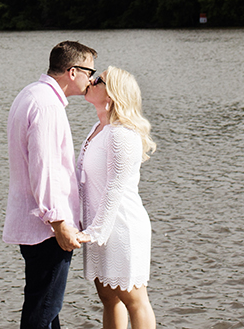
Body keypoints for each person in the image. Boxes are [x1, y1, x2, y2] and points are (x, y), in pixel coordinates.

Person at [5, 40, 98, 329]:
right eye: (90, 72)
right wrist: (58, 223)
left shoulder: (32, 94)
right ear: (73, 71)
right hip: (46, 228)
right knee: (42, 309)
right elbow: (44, 168)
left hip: (34, 222)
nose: (92, 79)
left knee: (46, 308)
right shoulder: (46, 105)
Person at [78, 66, 158, 329]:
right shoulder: (97, 128)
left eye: (98, 79)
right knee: (108, 297)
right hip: (98, 225)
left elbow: (116, 186)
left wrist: (96, 231)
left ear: (111, 94)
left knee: (134, 299)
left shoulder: (122, 133)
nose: (90, 80)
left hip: (122, 226)